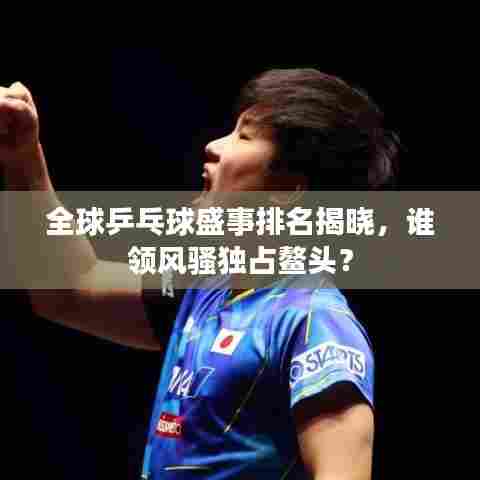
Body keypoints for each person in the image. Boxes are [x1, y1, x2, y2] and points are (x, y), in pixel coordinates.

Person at [0, 68, 400, 479]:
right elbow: (68, 289)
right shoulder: (205, 288)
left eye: (244, 136)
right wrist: (22, 154)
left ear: (286, 191)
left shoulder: (315, 324)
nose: (213, 146)